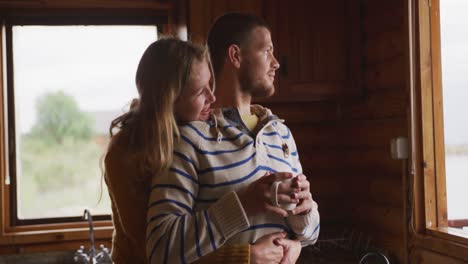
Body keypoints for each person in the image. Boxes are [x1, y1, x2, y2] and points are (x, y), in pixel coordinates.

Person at [146, 13, 320, 264]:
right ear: (236, 56)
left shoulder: (281, 133)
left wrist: (303, 211)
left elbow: (310, 234)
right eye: (267, 51)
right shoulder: (190, 140)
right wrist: (242, 205)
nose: (276, 63)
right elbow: (160, 249)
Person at [105, 37, 289, 264]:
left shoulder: (201, 133)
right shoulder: (125, 153)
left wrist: (292, 241)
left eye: (209, 84)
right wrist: (246, 256)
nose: (212, 98)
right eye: (199, 92)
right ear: (169, 99)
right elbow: (153, 251)